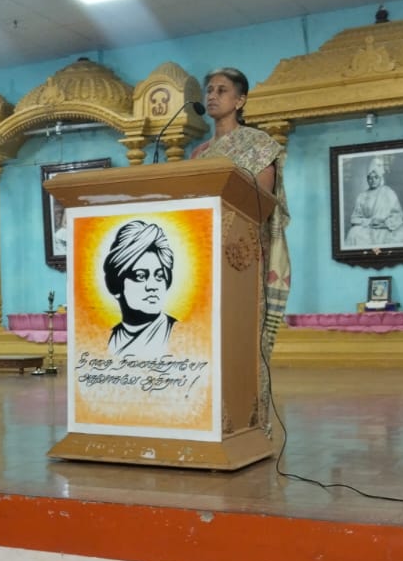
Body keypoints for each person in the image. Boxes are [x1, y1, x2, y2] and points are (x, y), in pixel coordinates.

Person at [191, 67, 291, 409]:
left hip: (242, 257)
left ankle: (249, 413)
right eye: (209, 90)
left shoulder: (259, 145)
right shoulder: (199, 154)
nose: (212, 96)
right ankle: (207, 410)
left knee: (242, 336)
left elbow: (259, 202)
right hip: (204, 255)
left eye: (221, 90)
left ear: (240, 100)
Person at [103, 220, 176, 358]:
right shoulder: (106, 340)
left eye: (159, 276)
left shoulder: (180, 335)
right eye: (141, 276)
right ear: (116, 285)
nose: (152, 286)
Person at [346, 155, 403, 247]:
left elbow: (398, 215)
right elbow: (354, 218)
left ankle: (379, 252)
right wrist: (370, 222)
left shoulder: (389, 192)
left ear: (381, 178)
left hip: (386, 228)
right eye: (370, 178)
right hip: (368, 229)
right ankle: (373, 252)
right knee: (353, 233)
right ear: (367, 179)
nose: (373, 180)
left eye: (376, 177)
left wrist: (385, 224)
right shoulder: (362, 196)